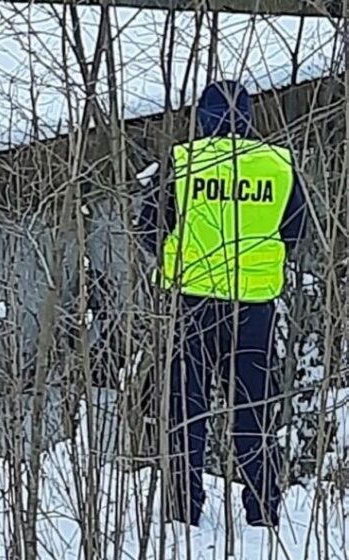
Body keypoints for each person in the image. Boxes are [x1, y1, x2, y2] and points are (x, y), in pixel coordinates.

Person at [135, 79, 307, 528]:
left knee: (185, 412)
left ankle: (181, 512)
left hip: (189, 305)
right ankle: (263, 512)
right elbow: (295, 233)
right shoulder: (278, 165)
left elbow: (148, 227)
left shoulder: (183, 161)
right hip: (254, 309)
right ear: (248, 119)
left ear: (203, 118)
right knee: (253, 412)